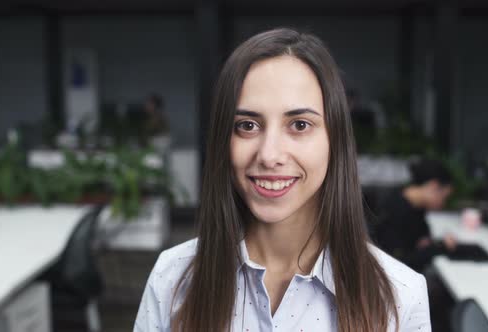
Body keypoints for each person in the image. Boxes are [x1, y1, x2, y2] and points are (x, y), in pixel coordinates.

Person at [135, 28, 430, 331]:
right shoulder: (171, 278)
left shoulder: (401, 296)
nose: (269, 154)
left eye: (300, 124)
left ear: (336, 140)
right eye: (247, 125)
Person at [374, 158, 456, 273]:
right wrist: (441, 247)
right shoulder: (395, 211)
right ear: (433, 186)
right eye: (444, 197)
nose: (443, 203)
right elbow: (399, 262)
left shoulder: (413, 204)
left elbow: (422, 238)